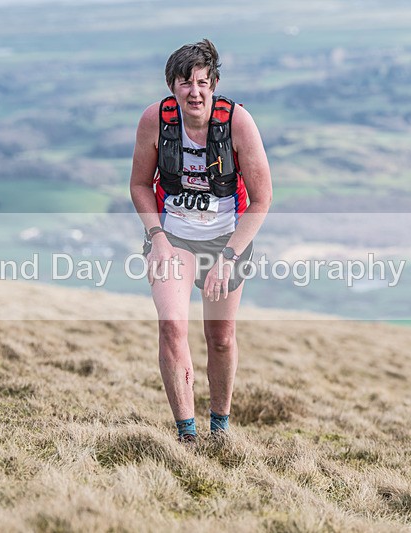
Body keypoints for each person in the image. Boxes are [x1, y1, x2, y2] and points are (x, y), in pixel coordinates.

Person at [129, 39, 272, 444]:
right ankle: (186, 436)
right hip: (173, 238)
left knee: (221, 338)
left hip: (228, 238)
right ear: (172, 86)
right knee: (172, 327)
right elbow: (139, 184)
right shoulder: (154, 120)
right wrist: (156, 237)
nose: (194, 92)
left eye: (202, 83)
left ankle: (220, 428)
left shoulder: (238, 123)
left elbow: (262, 199)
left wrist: (229, 256)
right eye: (185, 83)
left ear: (214, 84)